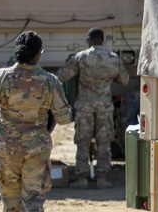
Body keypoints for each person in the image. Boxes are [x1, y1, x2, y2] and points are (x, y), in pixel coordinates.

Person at [0, 31, 74, 212]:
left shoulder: (1, 78)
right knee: (33, 195)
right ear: (38, 54)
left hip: (6, 148)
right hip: (36, 148)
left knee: (9, 193)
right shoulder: (49, 81)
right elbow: (64, 116)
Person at [54, 27, 129, 188]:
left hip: (85, 106)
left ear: (90, 40)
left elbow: (63, 75)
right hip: (105, 107)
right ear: (103, 39)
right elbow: (124, 80)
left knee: (83, 142)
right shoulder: (113, 58)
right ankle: (102, 178)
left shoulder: (81, 57)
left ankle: (82, 179)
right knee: (104, 142)